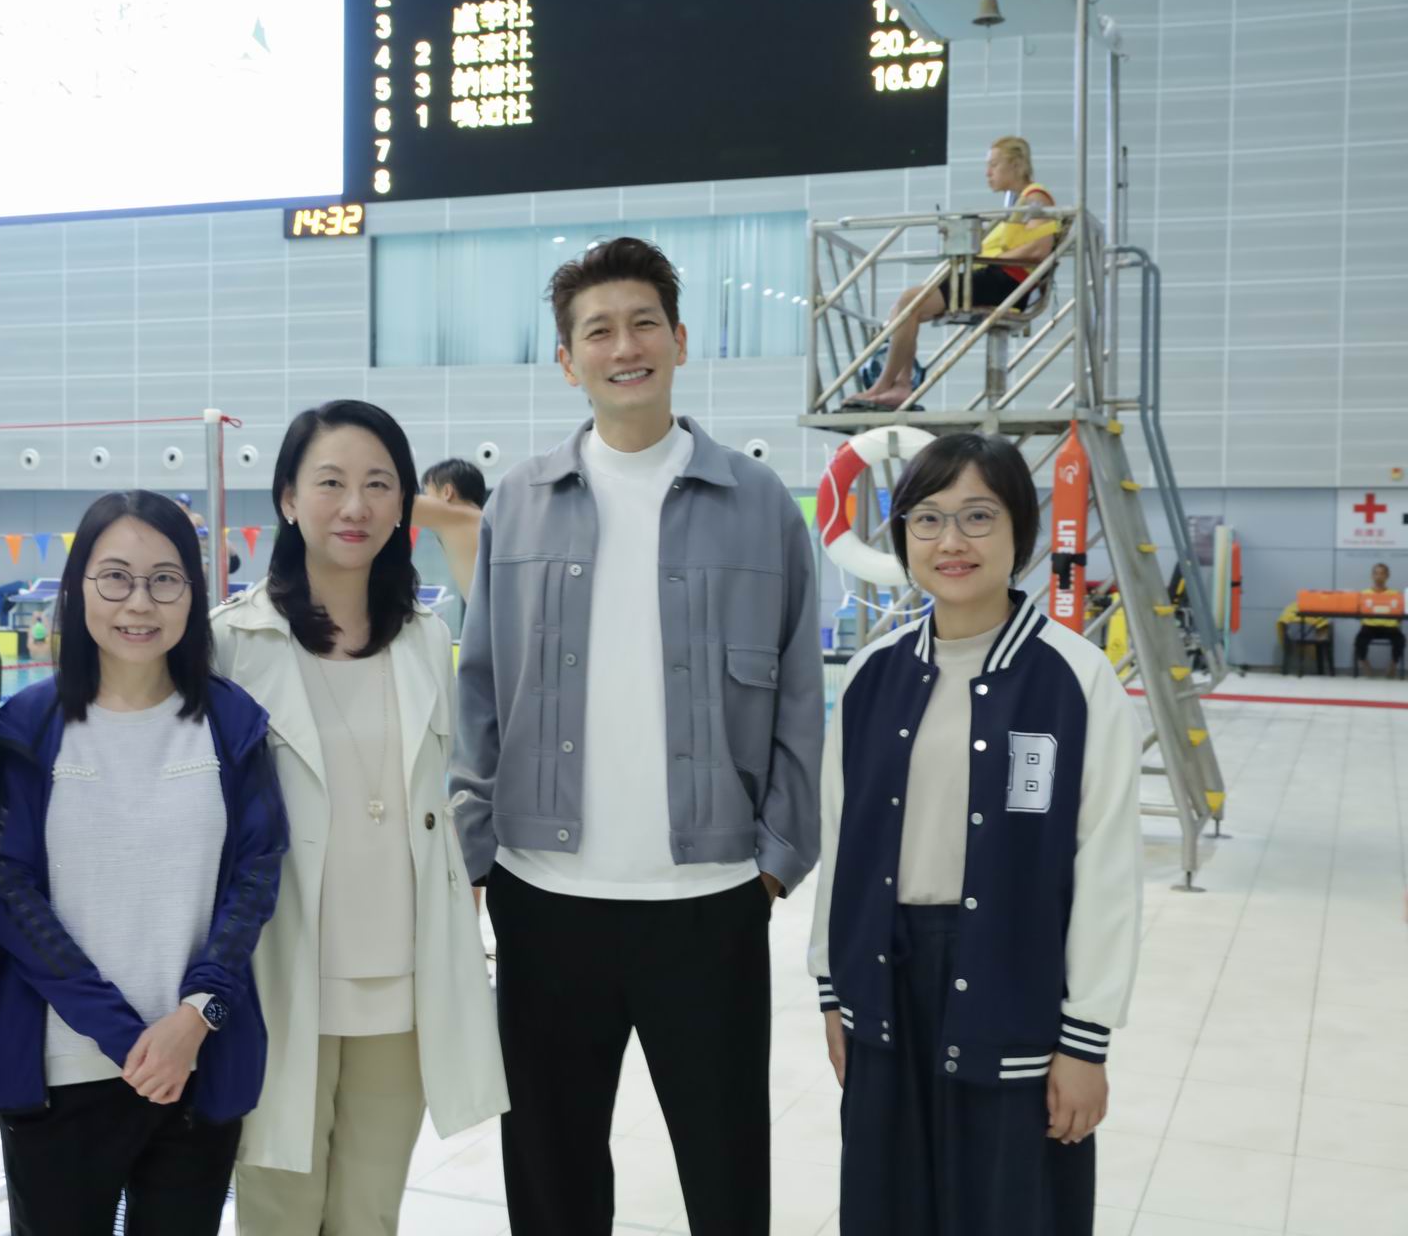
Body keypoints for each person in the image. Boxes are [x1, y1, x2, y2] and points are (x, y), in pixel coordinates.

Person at [450, 237, 823, 1236]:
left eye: (644, 323)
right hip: (544, 900)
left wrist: (777, 861)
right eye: (599, 331)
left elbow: (800, 694)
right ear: (567, 359)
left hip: (708, 902)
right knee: (552, 1176)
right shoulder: (520, 503)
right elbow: (479, 685)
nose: (625, 347)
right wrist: (477, 848)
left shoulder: (757, 506)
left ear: (680, 340)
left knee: (727, 1171)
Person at [810, 432, 1143, 1236]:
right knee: (888, 1206)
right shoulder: (872, 675)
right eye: (927, 519)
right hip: (887, 981)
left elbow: (1106, 864)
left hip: (1015, 985)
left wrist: (1085, 1041)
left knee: (1009, 1208)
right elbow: (842, 844)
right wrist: (833, 990)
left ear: (1020, 531)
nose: (951, 541)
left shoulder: (1075, 677)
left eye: (978, 516)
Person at [213, 400, 507, 1234]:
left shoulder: (425, 638)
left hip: (405, 979)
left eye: (379, 485)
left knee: (370, 1213)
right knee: (279, 1211)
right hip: (283, 971)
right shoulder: (233, 644)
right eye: (331, 483)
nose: (355, 506)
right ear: (287, 499)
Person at [0, 490, 288, 1236]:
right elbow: (8, 888)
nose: (139, 603)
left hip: (197, 1062)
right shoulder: (30, 725)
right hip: (62, 1070)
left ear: (192, 594)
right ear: (77, 588)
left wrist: (196, 1016)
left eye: (164, 580)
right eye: (115, 577)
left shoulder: (230, 723)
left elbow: (256, 876)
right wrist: (123, 1035)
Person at [847, 136, 1061, 410]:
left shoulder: (1035, 197)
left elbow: (1040, 249)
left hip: (1007, 282)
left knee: (910, 302)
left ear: (1016, 164)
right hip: (995, 276)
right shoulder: (1015, 203)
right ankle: (900, 385)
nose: (988, 172)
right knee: (903, 308)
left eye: (994, 164)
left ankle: (885, 386)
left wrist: (988, 258)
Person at [411, 457, 487, 599]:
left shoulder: (455, 516)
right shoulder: (484, 520)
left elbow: (393, 503)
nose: (424, 499)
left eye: (427, 494)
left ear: (447, 492)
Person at [1354, 562, 1404, 677]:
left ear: (1387, 576)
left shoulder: (1395, 594)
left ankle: (1392, 666)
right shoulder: (1364, 594)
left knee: (1400, 639)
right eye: (1376, 573)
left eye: (1382, 573)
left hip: (1390, 627)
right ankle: (1366, 666)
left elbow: (1399, 614)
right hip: (1369, 627)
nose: (1379, 576)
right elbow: (1359, 612)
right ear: (1372, 576)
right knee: (1359, 640)